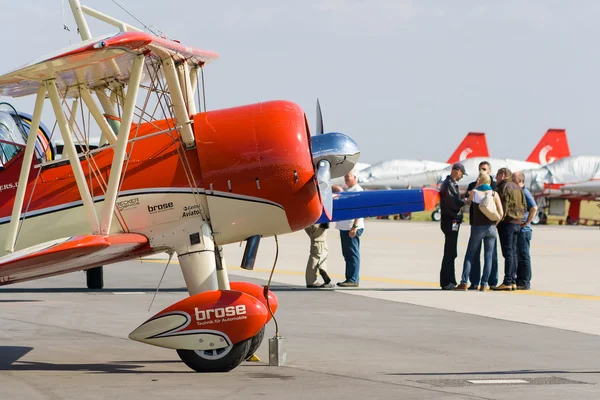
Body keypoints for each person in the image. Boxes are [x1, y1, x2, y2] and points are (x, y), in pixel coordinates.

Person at [455, 171, 503, 291]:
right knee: (488, 256)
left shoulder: (475, 193)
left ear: (479, 180)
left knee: (470, 255)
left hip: (477, 228)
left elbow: (468, 202)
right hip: (491, 228)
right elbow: (501, 213)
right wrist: (494, 224)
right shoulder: (494, 193)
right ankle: (484, 284)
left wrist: (476, 185)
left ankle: (464, 282)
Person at [464, 161, 499, 289]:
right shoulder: (472, 185)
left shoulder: (494, 186)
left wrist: (495, 222)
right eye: (480, 169)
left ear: (490, 170)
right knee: (475, 255)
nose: (481, 171)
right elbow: (467, 199)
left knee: (491, 256)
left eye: (484, 169)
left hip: (488, 225)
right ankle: (475, 282)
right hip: (476, 223)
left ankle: (491, 282)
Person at [493, 168, 526, 291]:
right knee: (513, 253)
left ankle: (507, 281)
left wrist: (498, 220)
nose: (495, 178)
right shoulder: (518, 187)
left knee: (508, 253)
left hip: (507, 223)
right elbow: (524, 205)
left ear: (503, 175)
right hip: (517, 222)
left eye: (497, 175)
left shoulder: (504, 186)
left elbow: (502, 206)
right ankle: (512, 281)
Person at [439, 162, 467, 290]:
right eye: (461, 173)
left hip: (452, 221)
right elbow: (454, 204)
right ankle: (446, 281)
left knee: (452, 251)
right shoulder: (449, 185)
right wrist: (465, 200)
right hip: (451, 221)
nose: (461, 176)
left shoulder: (451, 184)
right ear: (457, 171)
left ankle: (450, 279)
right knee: (450, 252)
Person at [335, 169, 364, 287]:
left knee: (352, 254)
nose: (346, 178)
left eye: (349, 176)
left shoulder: (358, 191)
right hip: (345, 227)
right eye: (345, 176)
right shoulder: (348, 190)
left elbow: (360, 210)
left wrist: (354, 227)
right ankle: (349, 278)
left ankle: (353, 279)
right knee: (347, 254)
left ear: (355, 177)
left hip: (351, 228)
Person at [512, 171, 537, 290]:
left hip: (524, 230)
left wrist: (526, 222)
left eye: (514, 179)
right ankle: (519, 280)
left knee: (524, 255)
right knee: (518, 256)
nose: (512, 180)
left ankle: (525, 281)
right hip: (518, 228)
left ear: (521, 181)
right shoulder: (517, 192)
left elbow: (534, 208)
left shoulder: (525, 192)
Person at [304, 223, 334, 288]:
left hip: (309, 221)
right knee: (318, 252)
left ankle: (311, 280)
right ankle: (322, 269)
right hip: (318, 222)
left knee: (318, 248)